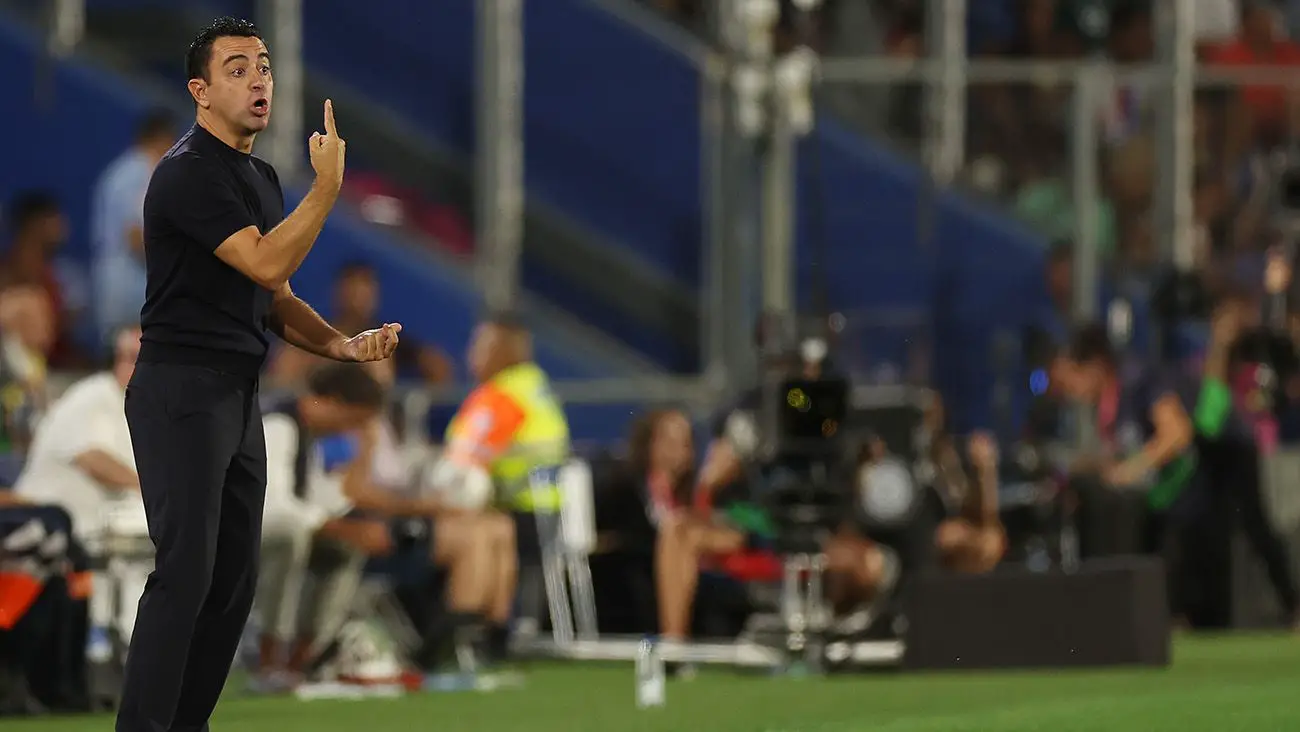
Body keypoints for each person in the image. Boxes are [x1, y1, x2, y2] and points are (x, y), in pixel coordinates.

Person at [115, 17, 400, 732]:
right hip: (180, 387)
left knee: (233, 580)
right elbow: (269, 263)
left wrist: (338, 347)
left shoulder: (260, 179)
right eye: (237, 68)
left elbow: (272, 298)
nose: (258, 79)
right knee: (184, 574)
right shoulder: (185, 172)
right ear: (200, 91)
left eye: (264, 65)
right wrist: (327, 189)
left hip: (235, 394)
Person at [427, 314, 568, 643]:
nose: (471, 354)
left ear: (503, 351)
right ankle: (488, 633)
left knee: (483, 529)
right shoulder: (534, 386)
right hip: (548, 511)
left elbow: (462, 461)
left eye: (479, 345)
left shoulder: (502, 396)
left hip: (519, 508)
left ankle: (461, 632)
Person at [11, 327, 141, 541]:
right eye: (133, 358)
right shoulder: (93, 395)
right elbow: (93, 459)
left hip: (92, 538)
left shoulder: (136, 408)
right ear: (115, 362)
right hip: (40, 533)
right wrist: (151, 491)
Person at [91, 109, 177, 345]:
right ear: (162, 139)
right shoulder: (141, 172)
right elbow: (135, 235)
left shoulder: (117, 172)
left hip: (114, 290)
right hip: (130, 296)